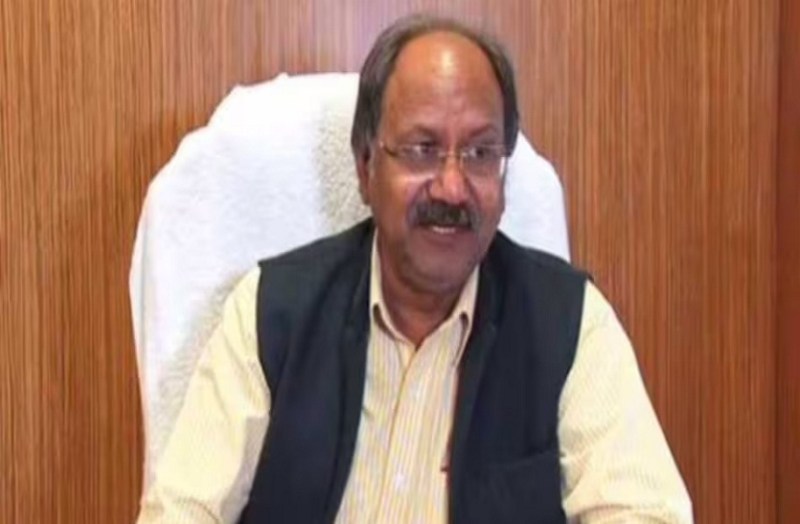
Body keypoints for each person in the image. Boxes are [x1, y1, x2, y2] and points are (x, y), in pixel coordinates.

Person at [137, 14, 692, 524]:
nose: (452, 187)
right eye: (422, 149)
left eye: (480, 153)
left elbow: (646, 513)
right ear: (365, 166)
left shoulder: (569, 324)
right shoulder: (270, 313)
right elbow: (182, 512)